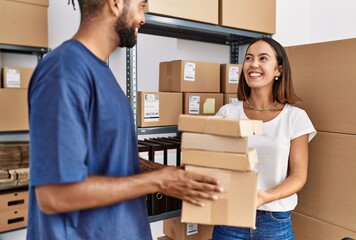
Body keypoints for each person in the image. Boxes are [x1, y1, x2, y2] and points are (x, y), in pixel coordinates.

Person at [26, 0, 223, 239]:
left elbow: (111, 157)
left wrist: (171, 174)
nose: (143, 18)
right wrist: (158, 181)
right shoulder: (65, 70)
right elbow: (55, 194)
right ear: (116, 3)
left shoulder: (100, 71)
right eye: (141, 6)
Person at [212, 37, 316, 240]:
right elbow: (212, 164)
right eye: (249, 58)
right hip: (230, 218)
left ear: (279, 70)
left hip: (274, 221)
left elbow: (298, 176)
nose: (253, 64)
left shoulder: (295, 117)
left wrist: (265, 197)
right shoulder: (227, 113)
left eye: (263, 58)